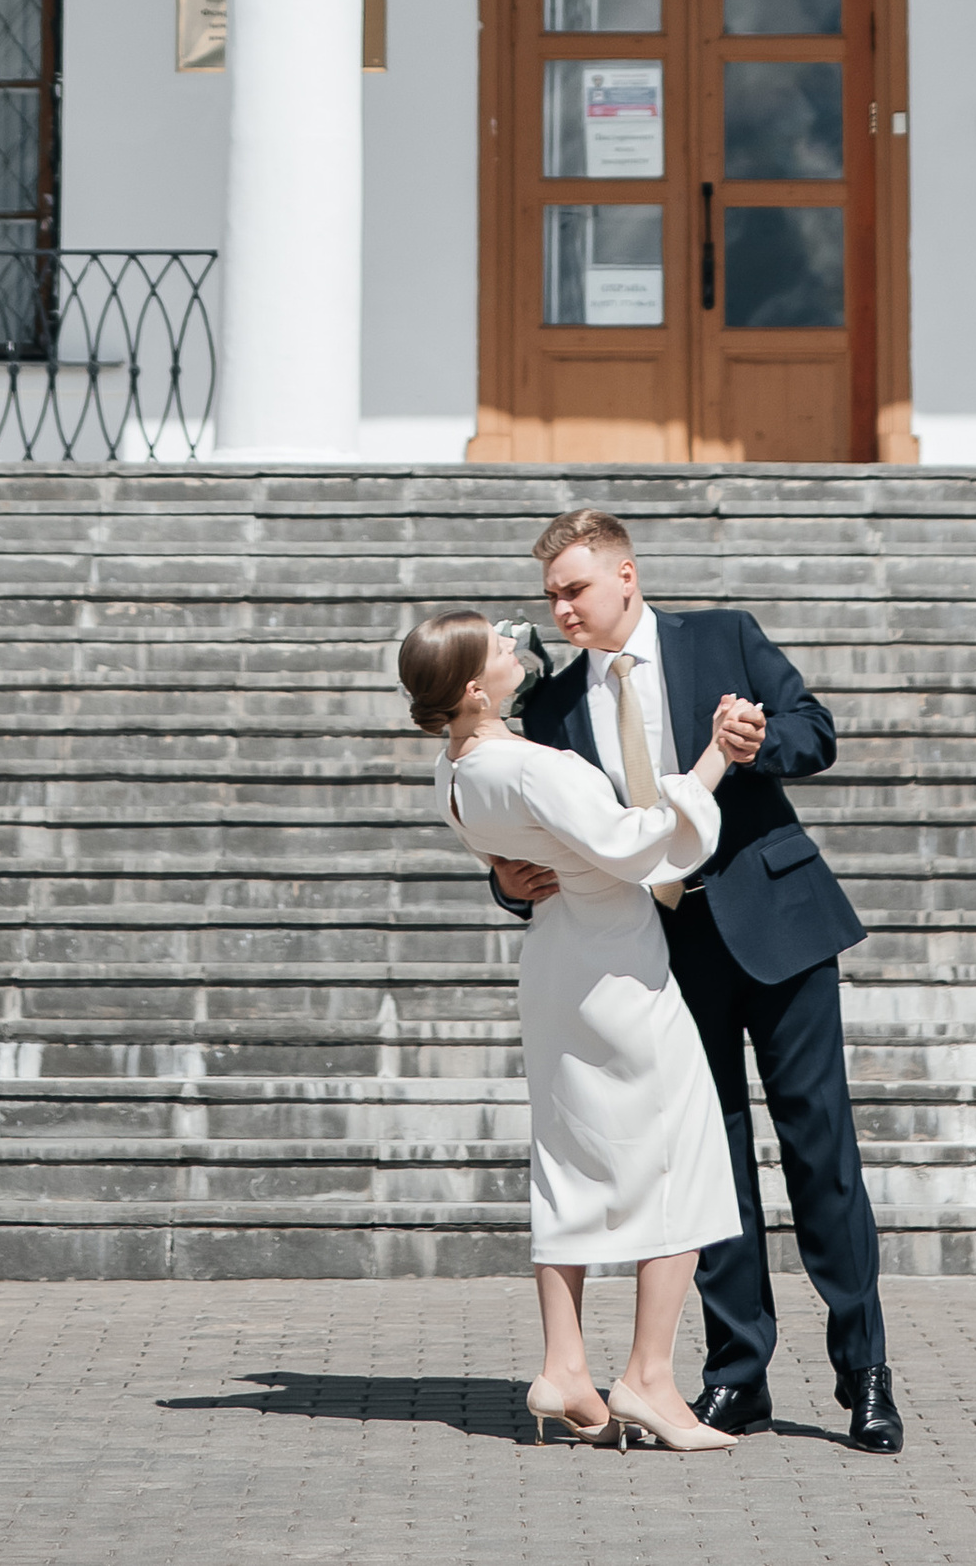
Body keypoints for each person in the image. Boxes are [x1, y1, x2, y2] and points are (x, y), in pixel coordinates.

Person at [486, 507, 902, 1455]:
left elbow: (815, 728)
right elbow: (537, 829)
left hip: (779, 930)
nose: (561, 610)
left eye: (576, 589)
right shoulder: (547, 711)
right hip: (659, 952)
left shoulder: (723, 635)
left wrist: (762, 744)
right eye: (551, 596)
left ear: (626, 575)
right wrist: (506, 882)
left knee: (821, 1156)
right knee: (706, 1168)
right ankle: (734, 1376)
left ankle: (864, 1375)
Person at [401, 603, 751, 1453]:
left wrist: (512, 871)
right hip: (616, 970)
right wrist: (713, 759)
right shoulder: (527, 767)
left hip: (558, 968)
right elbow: (637, 848)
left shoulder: (452, 773)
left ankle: (564, 1364)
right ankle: (651, 1380)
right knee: (683, 1158)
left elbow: (523, 856)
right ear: (477, 689)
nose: (525, 647)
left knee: (567, 1162)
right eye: (503, 647)